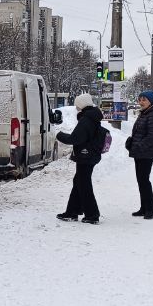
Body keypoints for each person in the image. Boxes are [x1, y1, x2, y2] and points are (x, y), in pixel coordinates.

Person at [55, 93, 105, 224]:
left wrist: (59, 135)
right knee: (79, 182)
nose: (76, 107)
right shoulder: (92, 117)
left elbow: (75, 139)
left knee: (84, 184)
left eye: (77, 105)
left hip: (85, 155)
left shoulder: (86, 120)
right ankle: (72, 211)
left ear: (82, 104)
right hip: (90, 154)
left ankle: (92, 215)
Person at [125, 90, 153, 220]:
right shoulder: (144, 114)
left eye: (144, 99)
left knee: (144, 180)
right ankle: (143, 208)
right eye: (140, 99)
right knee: (141, 180)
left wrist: (139, 145)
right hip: (139, 152)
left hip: (147, 152)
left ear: (150, 101)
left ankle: (150, 209)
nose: (141, 102)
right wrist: (131, 141)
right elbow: (139, 132)